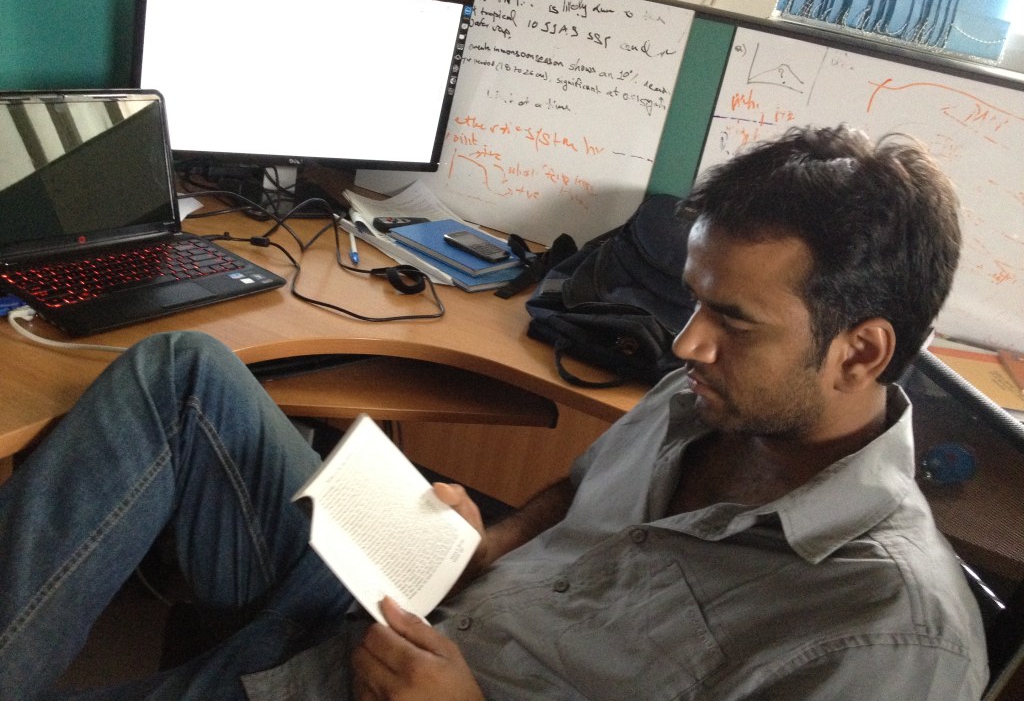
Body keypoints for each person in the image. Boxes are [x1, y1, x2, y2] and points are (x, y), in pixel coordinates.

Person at [0, 124, 986, 700]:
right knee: (181, 370)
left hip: (401, 680)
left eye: (731, 318)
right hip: (410, 603)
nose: (685, 342)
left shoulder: (885, 636)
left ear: (860, 351)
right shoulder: (714, 401)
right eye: (692, 299)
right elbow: (577, 489)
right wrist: (492, 541)